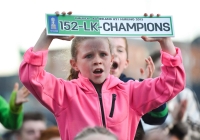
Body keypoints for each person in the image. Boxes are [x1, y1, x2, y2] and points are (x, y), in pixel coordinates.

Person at [19, 11, 185, 140]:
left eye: (103, 54)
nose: (97, 60)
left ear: (111, 59)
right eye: (88, 56)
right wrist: (47, 36)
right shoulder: (65, 93)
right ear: (74, 64)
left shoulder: (130, 92)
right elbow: (31, 77)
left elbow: (172, 83)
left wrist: (165, 42)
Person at [109, 37, 168, 140]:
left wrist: (147, 89)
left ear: (126, 62)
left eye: (120, 50)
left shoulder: (132, 86)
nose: (114, 54)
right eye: (109, 49)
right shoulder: (83, 88)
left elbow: (159, 116)